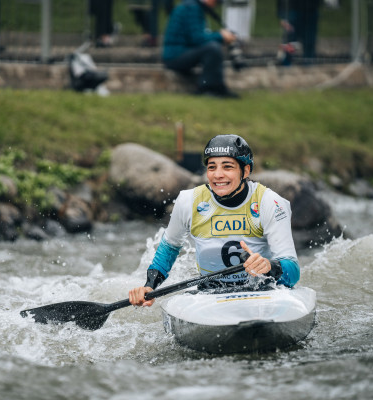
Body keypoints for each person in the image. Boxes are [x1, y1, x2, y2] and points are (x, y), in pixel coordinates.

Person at [129, 134, 301, 307]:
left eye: (227, 167)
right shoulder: (189, 201)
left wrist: (268, 266)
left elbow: (293, 272)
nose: (218, 175)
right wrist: (149, 286)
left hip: (261, 291)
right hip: (209, 293)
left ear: (246, 170)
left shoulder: (270, 202)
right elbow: (170, 247)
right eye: (212, 167)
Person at [162, 0, 239, 98]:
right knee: (212, 48)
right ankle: (208, 88)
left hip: (179, 53)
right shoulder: (192, 8)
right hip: (174, 56)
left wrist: (218, 36)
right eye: (216, 2)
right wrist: (221, 36)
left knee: (212, 47)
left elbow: (196, 37)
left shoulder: (192, 6)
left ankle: (217, 88)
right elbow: (197, 38)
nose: (215, 5)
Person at [277, 0, 322, 66]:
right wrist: (282, 15)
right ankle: (286, 63)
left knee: (309, 39)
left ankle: (308, 63)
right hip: (293, 9)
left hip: (311, 9)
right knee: (290, 38)